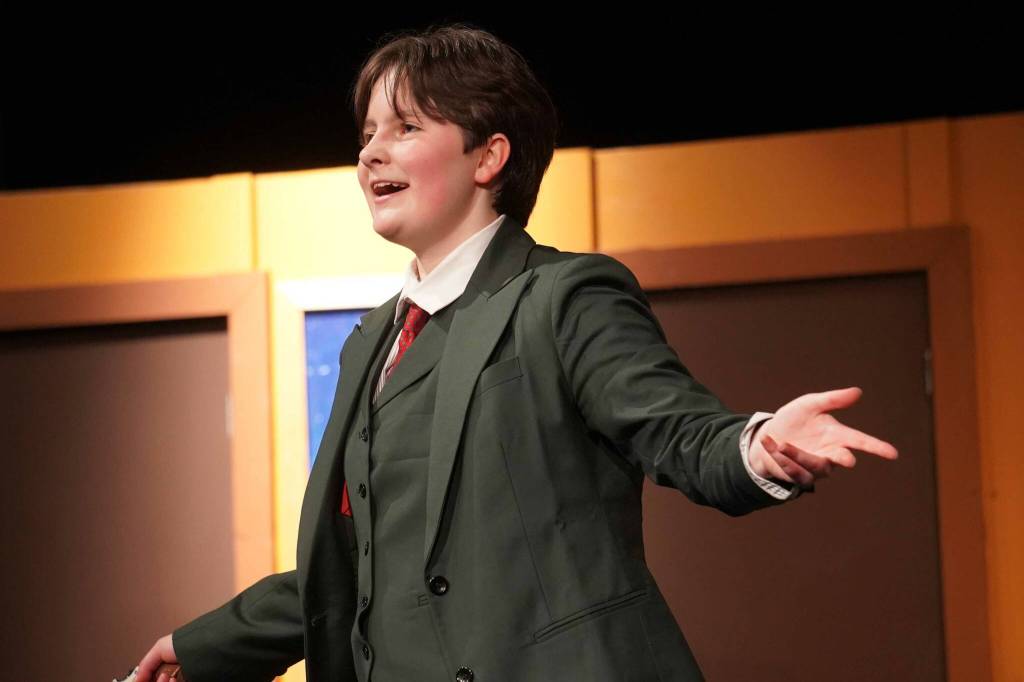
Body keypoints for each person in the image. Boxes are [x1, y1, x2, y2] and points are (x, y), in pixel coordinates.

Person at [137, 23, 898, 682]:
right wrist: (203, 648)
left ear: (489, 156)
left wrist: (756, 446)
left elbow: (677, 430)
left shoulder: (564, 296)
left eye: (405, 128)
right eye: (366, 134)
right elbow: (355, 565)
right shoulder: (371, 343)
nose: (371, 154)